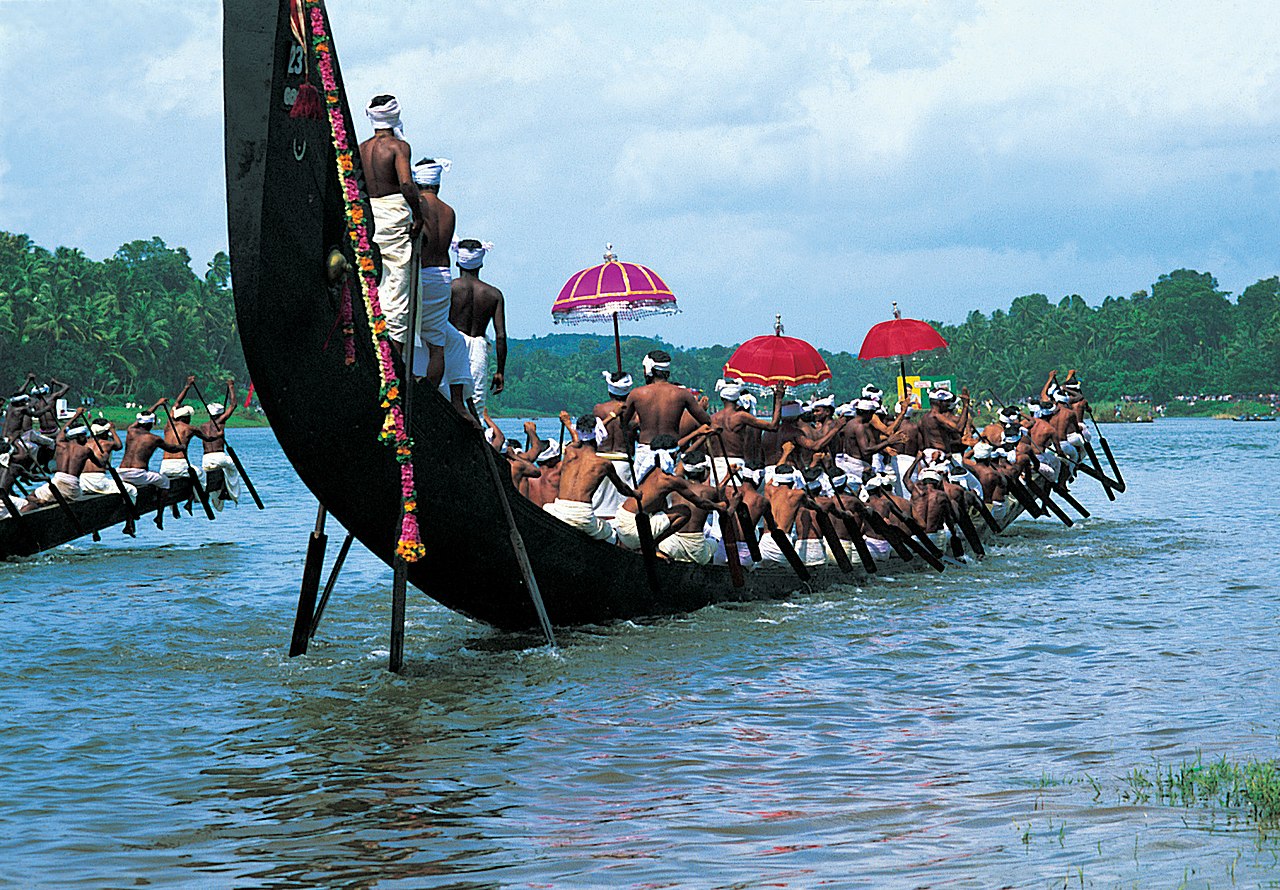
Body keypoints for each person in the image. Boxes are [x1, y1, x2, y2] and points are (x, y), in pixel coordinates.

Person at [359, 95, 423, 353]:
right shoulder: (398, 147)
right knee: (397, 289)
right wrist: (418, 215)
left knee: (373, 281)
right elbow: (406, 183)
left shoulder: (362, 148)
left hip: (371, 217)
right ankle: (392, 364)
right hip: (394, 215)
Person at [610, 434, 725, 551]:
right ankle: (650, 546)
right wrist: (718, 506)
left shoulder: (647, 472)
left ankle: (642, 546)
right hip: (632, 530)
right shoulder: (669, 480)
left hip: (621, 520)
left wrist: (700, 434)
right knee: (685, 512)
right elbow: (700, 503)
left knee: (662, 506)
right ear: (675, 455)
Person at [542, 413, 637, 543]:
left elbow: (577, 438)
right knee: (613, 535)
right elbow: (623, 490)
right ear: (600, 435)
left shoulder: (569, 452)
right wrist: (636, 494)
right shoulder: (604, 464)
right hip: (583, 516)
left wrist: (567, 422)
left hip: (559, 511)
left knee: (547, 507)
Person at [620, 351, 712, 481]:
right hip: (672, 451)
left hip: (646, 450)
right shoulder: (682, 394)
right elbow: (706, 420)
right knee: (671, 494)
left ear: (648, 370)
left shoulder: (637, 394)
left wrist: (637, 425)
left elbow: (623, 424)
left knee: (641, 495)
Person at [411, 157, 457, 389]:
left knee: (405, 332)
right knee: (436, 344)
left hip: (421, 274)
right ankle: (431, 392)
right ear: (437, 184)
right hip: (443, 276)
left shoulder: (415, 205)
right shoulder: (449, 212)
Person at [450, 239, 505, 411]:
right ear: (480, 265)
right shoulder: (494, 294)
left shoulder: (449, 288)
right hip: (479, 349)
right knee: (475, 401)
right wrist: (500, 371)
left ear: (458, 262)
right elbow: (500, 336)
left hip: (452, 345)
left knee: (449, 396)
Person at [708, 379, 784, 481]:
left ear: (722, 398)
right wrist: (778, 398)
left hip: (716, 465)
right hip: (736, 464)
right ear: (737, 398)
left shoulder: (713, 418)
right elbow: (773, 426)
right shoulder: (741, 416)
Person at [21, 408, 92, 511]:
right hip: (73, 491)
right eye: (85, 436)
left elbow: (62, 430)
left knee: (30, 496)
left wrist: (76, 415)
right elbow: (100, 464)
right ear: (79, 436)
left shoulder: (60, 445)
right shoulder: (86, 450)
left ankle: (42, 501)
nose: (86, 439)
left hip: (57, 484)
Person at [657, 449, 721, 564]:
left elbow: (679, 473)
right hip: (696, 549)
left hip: (671, 545)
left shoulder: (674, 487)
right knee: (715, 541)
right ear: (704, 471)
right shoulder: (710, 492)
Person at [188, 380, 240, 510]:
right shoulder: (221, 422)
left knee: (223, 468)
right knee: (233, 466)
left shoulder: (202, 426)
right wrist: (231, 387)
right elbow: (233, 405)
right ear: (220, 414)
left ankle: (223, 489)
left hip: (206, 459)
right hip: (219, 457)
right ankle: (231, 492)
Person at [118, 402, 185, 495]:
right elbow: (171, 449)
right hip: (138, 474)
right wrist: (181, 447)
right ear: (151, 424)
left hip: (122, 472)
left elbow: (142, 417)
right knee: (165, 481)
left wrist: (157, 404)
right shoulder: (154, 438)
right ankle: (160, 509)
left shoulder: (131, 431)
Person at [79, 419, 137, 500]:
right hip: (98, 481)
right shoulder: (106, 444)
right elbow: (119, 446)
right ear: (104, 432)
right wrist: (113, 430)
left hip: (83, 480)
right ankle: (129, 511)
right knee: (132, 490)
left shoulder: (85, 443)